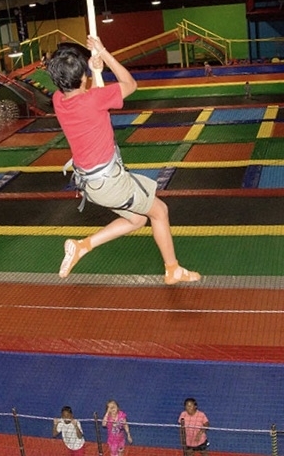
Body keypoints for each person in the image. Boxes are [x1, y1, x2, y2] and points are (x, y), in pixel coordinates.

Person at [46, 37, 201, 285]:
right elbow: (130, 84)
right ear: (82, 77)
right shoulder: (92, 99)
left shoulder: (59, 101)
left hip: (90, 185)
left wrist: (95, 72)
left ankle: (83, 245)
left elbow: (89, 99)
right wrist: (103, 53)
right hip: (110, 184)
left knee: (137, 219)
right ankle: (173, 270)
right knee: (160, 212)